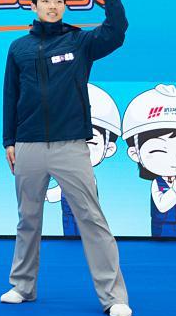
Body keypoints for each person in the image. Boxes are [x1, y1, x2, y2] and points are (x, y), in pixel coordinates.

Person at [1, 0, 132, 316]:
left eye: (58, 1)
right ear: (34, 6)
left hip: (70, 145)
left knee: (91, 218)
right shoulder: (18, 48)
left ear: (64, 7)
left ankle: (113, 296)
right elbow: (11, 96)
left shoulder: (79, 42)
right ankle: (22, 286)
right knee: (28, 219)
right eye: (46, 1)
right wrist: (9, 141)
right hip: (28, 144)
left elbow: (116, 32)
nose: (52, 6)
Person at [122, 84, 176, 238]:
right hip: (163, 227)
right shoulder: (157, 183)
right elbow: (161, 206)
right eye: (160, 151)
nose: (175, 158)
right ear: (135, 153)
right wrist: (173, 192)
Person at [45, 83, 120, 237]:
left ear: (109, 148)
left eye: (90, 143)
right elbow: (57, 193)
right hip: (70, 224)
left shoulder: (85, 177)